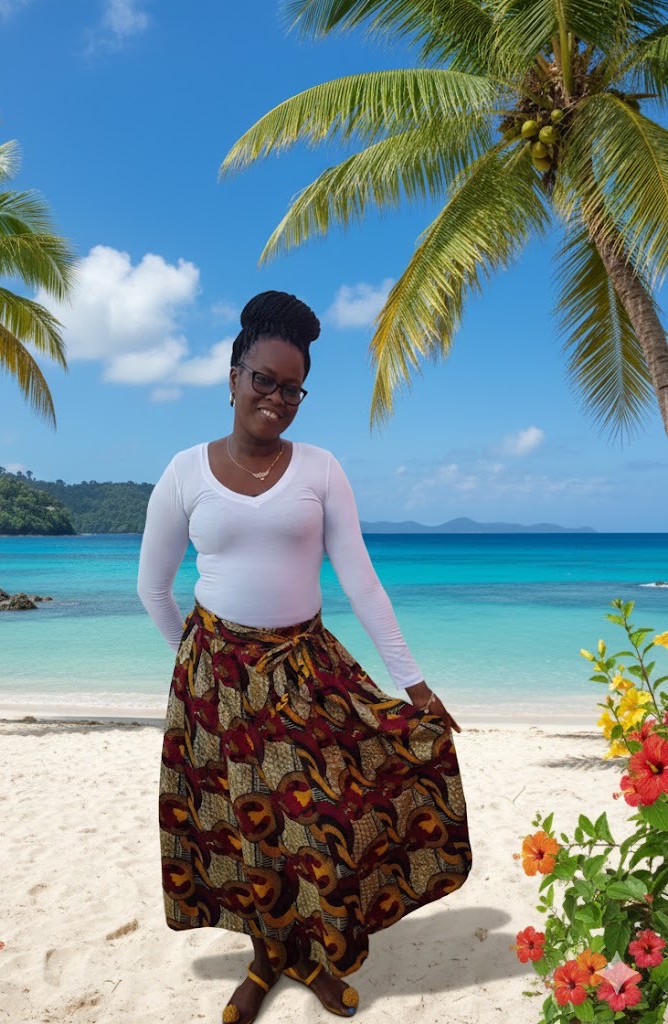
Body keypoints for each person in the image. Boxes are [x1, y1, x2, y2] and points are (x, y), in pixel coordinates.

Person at [137, 291, 471, 1024]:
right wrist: (197, 666)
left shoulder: (320, 469)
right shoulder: (184, 472)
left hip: (306, 669)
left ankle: (316, 956)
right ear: (232, 377)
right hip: (217, 681)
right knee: (249, 830)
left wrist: (413, 686)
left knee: (325, 814)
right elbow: (153, 587)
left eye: (293, 389)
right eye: (265, 380)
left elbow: (360, 579)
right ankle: (265, 962)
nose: (278, 399)